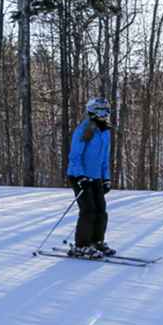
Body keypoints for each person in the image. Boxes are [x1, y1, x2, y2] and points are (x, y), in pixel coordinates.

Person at [66, 97, 116, 258]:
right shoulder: (84, 130)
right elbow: (75, 156)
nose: (104, 114)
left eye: (106, 110)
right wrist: (80, 176)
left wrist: (106, 178)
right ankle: (81, 245)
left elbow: (103, 159)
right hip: (79, 176)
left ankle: (96, 242)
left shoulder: (105, 131)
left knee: (101, 210)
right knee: (88, 210)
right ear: (92, 111)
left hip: (96, 178)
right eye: (100, 110)